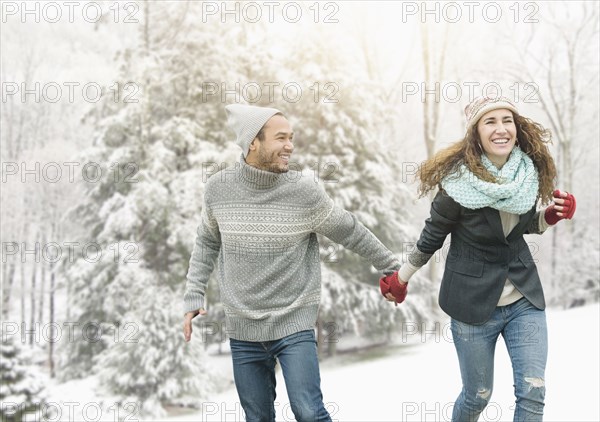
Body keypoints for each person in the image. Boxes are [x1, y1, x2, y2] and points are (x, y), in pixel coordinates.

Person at [183, 103, 400, 422]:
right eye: (281, 138)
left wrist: (392, 268)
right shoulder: (218, 189)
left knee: (309, 413)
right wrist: (193, 293)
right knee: (257, 418)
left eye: (292, 138)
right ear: (252, 142)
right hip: (243, 326)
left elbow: (349, 230)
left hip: (293, 320)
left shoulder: (303, 191)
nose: (290, 146)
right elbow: (207, 241)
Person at [380, 96, 576, 421]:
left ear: (517, 126)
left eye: (507, 120)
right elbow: (431, 237)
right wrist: (401, 279)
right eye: (490, 122)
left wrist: (550, 216)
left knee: (533, 391)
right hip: (472, 307)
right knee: (477, 397)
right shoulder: (457, 184)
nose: (501, 129)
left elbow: (521, 224)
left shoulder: (526, 174)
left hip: (523, 298)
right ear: (476, 133)